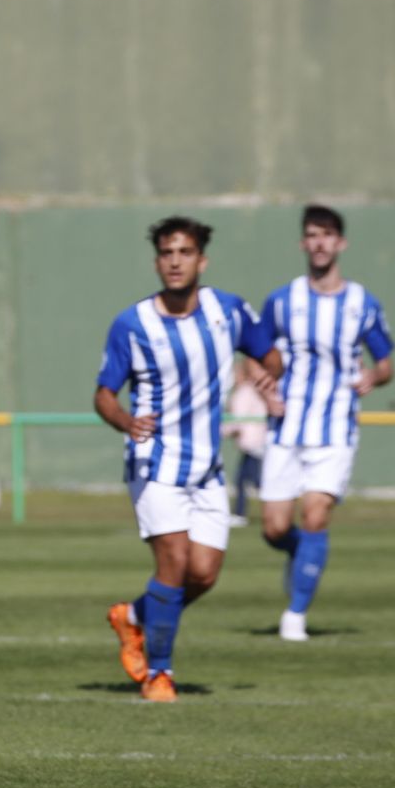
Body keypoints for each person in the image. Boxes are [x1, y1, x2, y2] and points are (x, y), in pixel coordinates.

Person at [94, 216, 280, 702]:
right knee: (174, 563)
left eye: (184, 252)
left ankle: (133, 616)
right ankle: (160, 674)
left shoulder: (229, 311)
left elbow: (269, 352)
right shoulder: (133, 323)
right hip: (154, 462)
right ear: (157, 260)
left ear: (202, 259)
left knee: (204, 574)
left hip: (207, 468)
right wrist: (124, 421)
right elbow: (104, 395)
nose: (175, 261)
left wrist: (267, 372)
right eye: (167, 253)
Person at [258, 205, 394, 642]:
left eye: (328, 234)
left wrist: (373, 376)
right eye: (312, 235)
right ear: (303, 243)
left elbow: (386, 362)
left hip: (335, 428)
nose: (319, 243)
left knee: (315, 514)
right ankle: (301, 557)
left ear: (341, 243)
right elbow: (260, 355)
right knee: (275, 528)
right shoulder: (282, 301)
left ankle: (294, 615)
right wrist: (264, 386)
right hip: (286, 426)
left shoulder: (361, 303)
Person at [224, 360, 268, 527]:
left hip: (253, 443)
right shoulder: (253, 391)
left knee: (249, 481)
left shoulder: (244, 392)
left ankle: (241, 514)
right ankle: (242, 513)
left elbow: (237, 420)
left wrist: (223, 430)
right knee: (249, 480)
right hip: (256, 442)